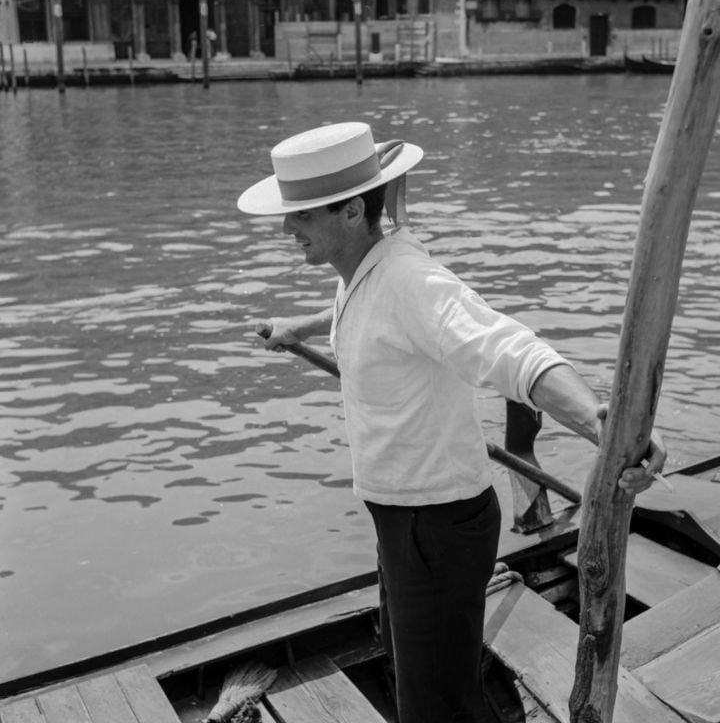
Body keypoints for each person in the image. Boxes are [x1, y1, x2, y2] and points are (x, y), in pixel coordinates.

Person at [237, 121, 666, 723]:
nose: (288, 229)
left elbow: (508, 349)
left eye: (302, 216)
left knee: (433, 705)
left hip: (433, 526)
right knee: (422, 675)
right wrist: (297, 329)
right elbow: (354, 307)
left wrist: (604, 425)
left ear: (354, 210)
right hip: (403, 520)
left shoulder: (411, 282)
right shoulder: (366, 270)